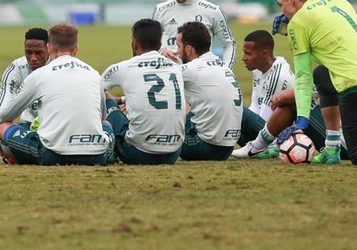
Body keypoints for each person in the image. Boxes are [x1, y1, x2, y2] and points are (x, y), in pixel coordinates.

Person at [0, 23, 114, 166]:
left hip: (53, 155)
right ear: (76, 49)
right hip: (97, 157)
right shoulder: (94, 73)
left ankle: (16, 157)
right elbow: (102, 117)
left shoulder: (38, 75)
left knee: (3, 126)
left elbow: (4, 115)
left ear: (49, 47)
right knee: (106, 123)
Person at [271, 0, 357, 164]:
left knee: (355, 156)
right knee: (322, 75)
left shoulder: (298, 23)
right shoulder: (338, 0)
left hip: (352, 85)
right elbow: (333, 44)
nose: (281, 12)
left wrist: (302, 120)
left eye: (281, 5)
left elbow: (303, 76)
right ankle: (331, 148)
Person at [101, 19, 186, 165]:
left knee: (106, 99)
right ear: (160, 45)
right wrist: (123, 99)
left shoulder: (124, 67)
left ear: (135, 43)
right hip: (173, 153)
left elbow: (94, 89)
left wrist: (110, 100)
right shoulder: (176, 67)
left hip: (138, 154)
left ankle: (102, 147)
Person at [175, 21, 242, 161]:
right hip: (228, 149)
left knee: (173, 98)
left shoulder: (191, 69)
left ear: (188, 49)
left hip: (200, 147)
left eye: (178, 46)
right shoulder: (223, 66)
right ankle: (267, 141)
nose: (176, 52)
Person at [152, 0, 236, 69]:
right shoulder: (161, 10)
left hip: (201, 79)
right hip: (170, 78)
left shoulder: (212, 10)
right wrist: (161, 51)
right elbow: (151, 44)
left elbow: (229, 44)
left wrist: (226, 70)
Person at [232, 87, 349, 159]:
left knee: (296, 103)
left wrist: (280, 97)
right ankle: (265, 145)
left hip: (347, 144)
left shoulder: (338, 65)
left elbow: (287, 97)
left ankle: (259, 147)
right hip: (347, 139)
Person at [232, 30, 294, 158]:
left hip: (276, 133)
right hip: (266, 129)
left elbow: (266, 118)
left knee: (234, 110)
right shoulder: (258, 70)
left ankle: (262, 149)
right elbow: (255, 105)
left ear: (264, 54)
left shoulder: (278, 76)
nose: (243, 58)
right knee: (234, 116)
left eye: (248, 53)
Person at [0, 28, 49, 127]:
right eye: (28, 52)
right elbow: (3, 105)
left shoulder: (59, 67)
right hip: (28, 126)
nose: (33, 58)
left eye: (38, 53)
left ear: (49, 49)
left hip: (54, 126)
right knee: (2, 128)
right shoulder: (18, 68)